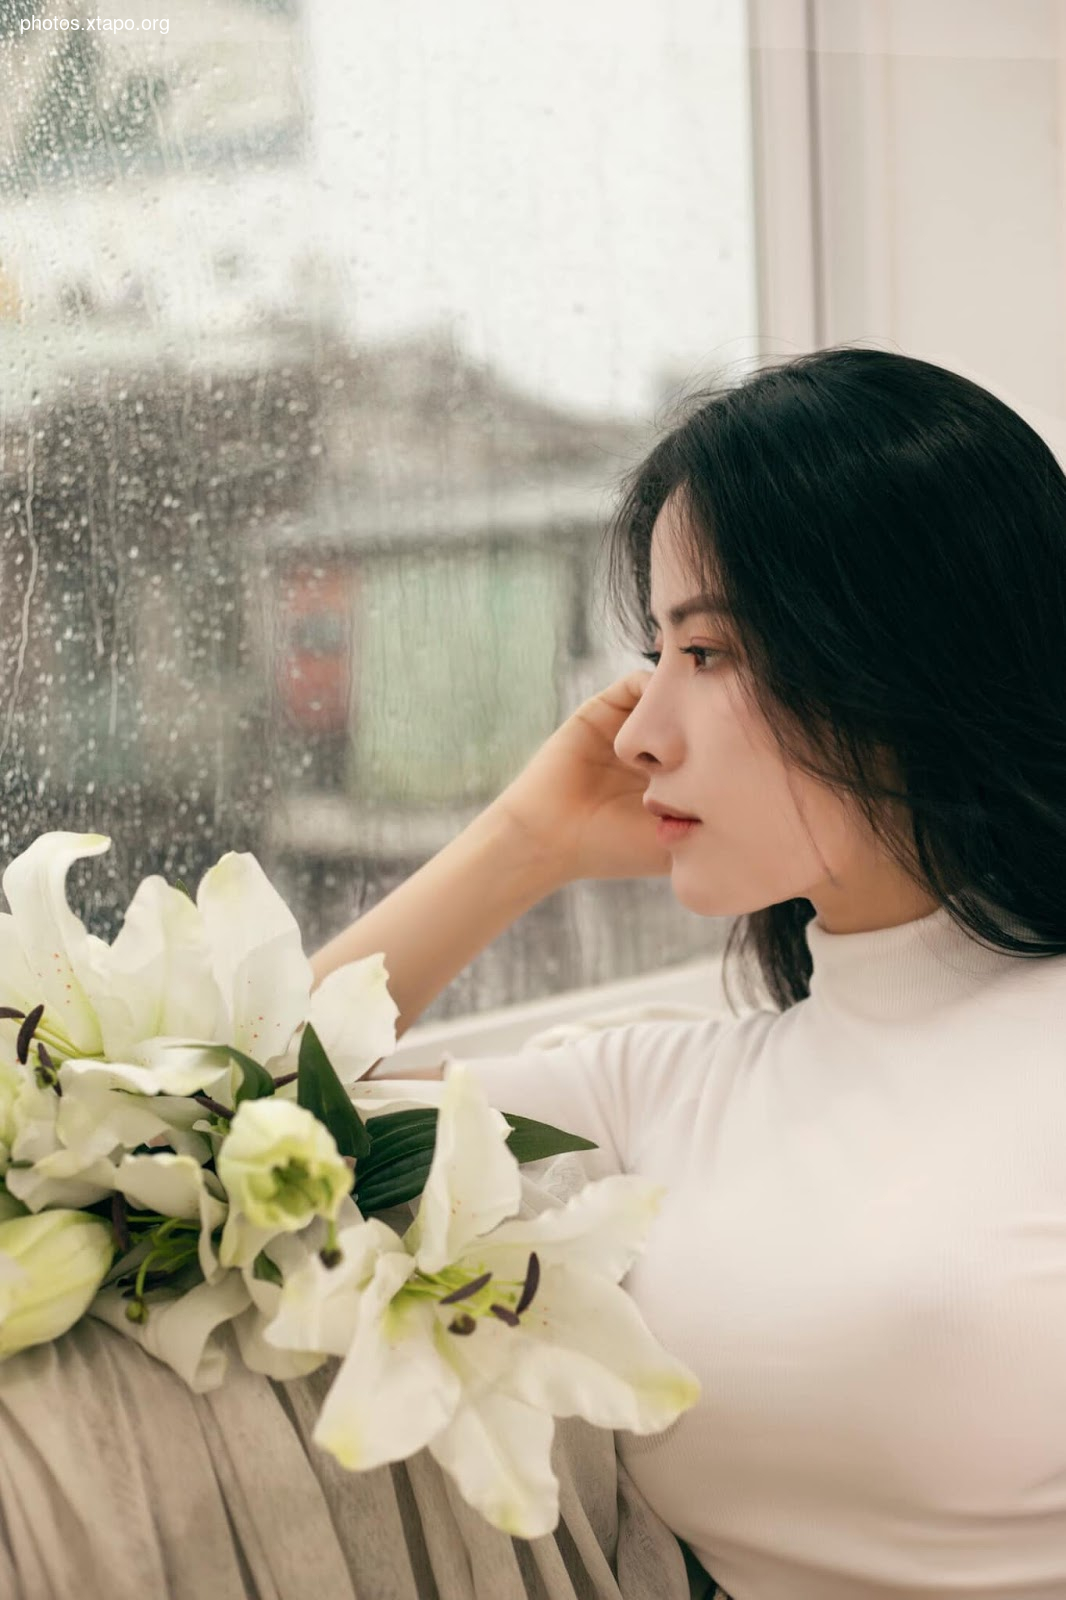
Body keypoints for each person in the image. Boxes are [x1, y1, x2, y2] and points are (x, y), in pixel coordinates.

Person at [308, 346, 1066, 1600]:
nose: (642, 729)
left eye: (705, 654)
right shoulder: (656, 1093)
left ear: (898, 652)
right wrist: (520, 845)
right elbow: (193, 1124)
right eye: (655, 652)